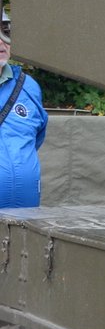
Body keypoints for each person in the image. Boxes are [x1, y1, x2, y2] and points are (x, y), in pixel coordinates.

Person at [0, 16, 49, 207]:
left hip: (26, 210)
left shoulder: (28, 86)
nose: (1, 42)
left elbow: (36, 137)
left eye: (7, 33)